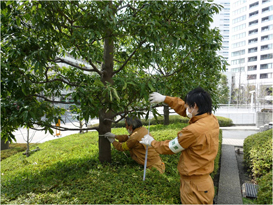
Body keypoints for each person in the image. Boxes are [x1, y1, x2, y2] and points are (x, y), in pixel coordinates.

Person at [140, 87, 219, 204]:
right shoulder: (210, 119)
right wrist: (165, 99)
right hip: (204, 183)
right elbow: (185, 109)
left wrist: (152, 142)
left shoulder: (193, 131)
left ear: (195, 106)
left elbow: (171, 147)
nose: (185, 108)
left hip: (193, 186)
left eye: (188, 106)